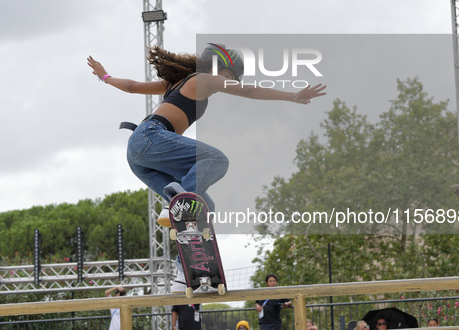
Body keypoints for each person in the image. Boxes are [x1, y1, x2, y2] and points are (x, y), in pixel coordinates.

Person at [88, 46, 326, 291]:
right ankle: (176, 201)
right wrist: (293, 96)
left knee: (205, 206)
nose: (228, 83)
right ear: (217, 66)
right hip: (151, 138)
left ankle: (183, 273)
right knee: (217, 159)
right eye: (230, 77)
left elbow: (131, 86)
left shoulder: (176, 82)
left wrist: (105, 77)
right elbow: (249, 90)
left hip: (140, 157)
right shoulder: (204, 78)